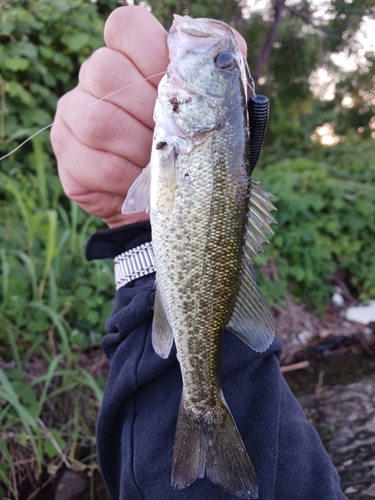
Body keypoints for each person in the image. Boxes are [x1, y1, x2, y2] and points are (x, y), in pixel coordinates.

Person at [51, 6, 347, 500]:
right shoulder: (190, 131)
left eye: (224, 67)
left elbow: (187, 232)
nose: (220, 55)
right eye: (226, 65)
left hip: (186, 282)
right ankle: (201, 406)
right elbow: (190, 235)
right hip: (187, 274)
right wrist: (132, 229)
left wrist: (134, 233)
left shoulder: (197, 131)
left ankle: (202, 408)